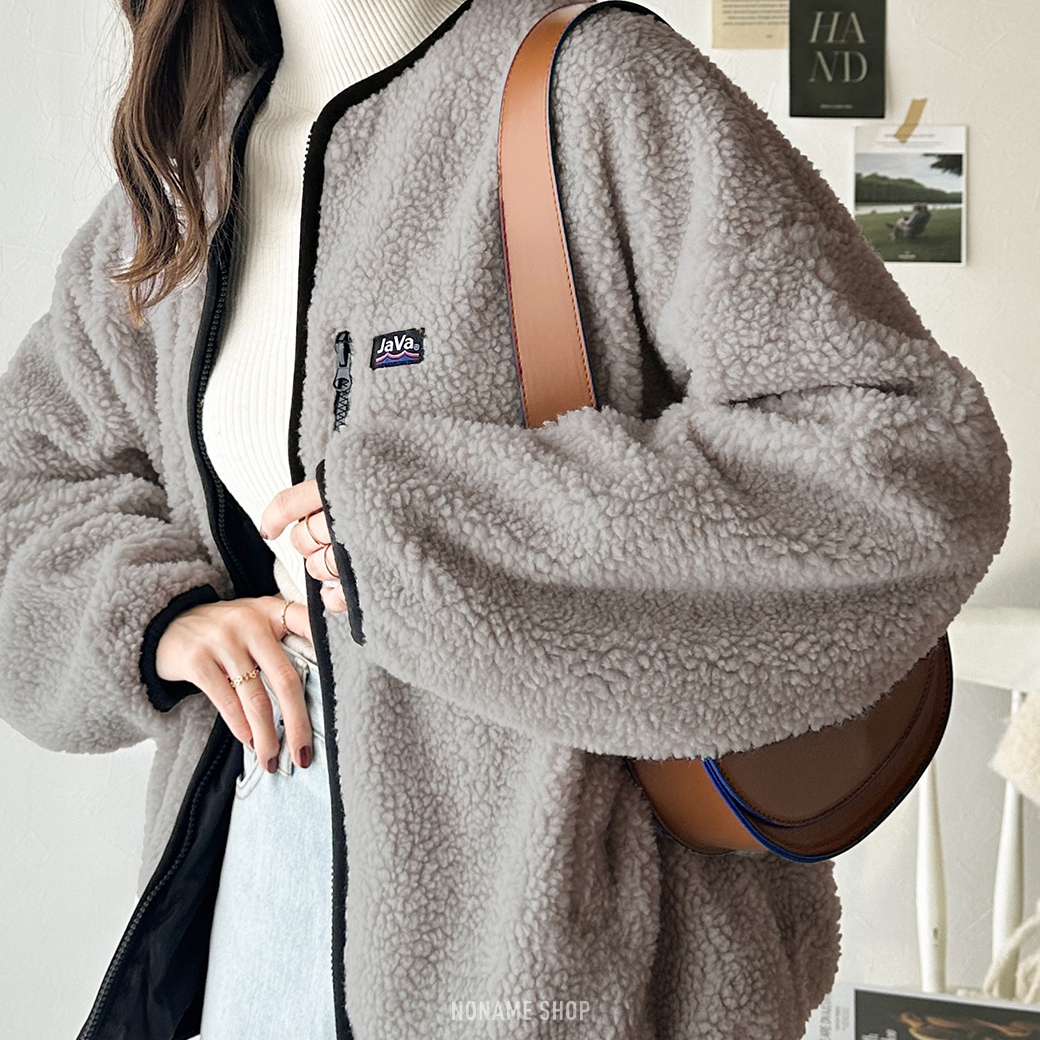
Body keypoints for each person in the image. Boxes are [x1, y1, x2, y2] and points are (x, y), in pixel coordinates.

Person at [0, 0, 1012, 1038]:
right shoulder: (182, 179)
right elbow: (25, 485)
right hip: (249, 914)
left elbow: (907, 466)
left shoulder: (594, 84)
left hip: (555, 939)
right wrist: (155, 616)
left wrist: (428, 533)